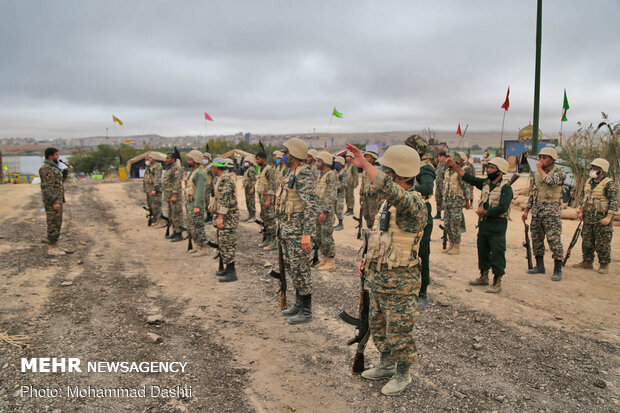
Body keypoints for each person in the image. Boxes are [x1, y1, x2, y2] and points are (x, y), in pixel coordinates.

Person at [346, 143, 427, 396]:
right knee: (379, 325)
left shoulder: (413, 202)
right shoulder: (388, 204)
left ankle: (403, 373)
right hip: (380, 277)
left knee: (399, 329)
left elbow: (392, 191)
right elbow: (382, 236)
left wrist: (366, 164)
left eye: (386, 170)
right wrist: (367, 262)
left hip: (401, 281)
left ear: (396, 174)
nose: (383, 174)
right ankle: (386, 363)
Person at [448, 156, 513, 292]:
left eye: (491, 168)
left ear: (500, 171)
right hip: (484, 224)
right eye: (488, 167)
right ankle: (484, 276)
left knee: (497, 252)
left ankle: (497, 282)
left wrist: (486, 212)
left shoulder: (506, 187)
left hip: (497, 224)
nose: (488, 170)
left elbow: (503, 207)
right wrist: (455, 166)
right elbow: (469, 178)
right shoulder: (486, 183)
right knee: (482, 249)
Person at [277, 138, 318, 325]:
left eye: (286, 153)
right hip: (287, 230)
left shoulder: (305, 174)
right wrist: (280, 229)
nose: (283, 156)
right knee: (293, 268)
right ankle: (298, 305)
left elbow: (310, 206)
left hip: (298, 232)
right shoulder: (289, 172)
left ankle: (307, 311)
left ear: (293, 155)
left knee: (301, 269)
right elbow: (284, 202)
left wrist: (306, 234)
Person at [522, 147, 566, 281]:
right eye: (541, 157)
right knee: (536, 239)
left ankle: (558, 270)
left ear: (552, 160)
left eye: (545, 158)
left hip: (551, 214)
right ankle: (539, 265)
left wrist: (540, 170)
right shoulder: (537, 174)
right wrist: (527, 209)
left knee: (554, 241)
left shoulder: (559, 172)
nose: (542, 160)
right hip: (537, 212)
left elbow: (551, 182)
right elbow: (533, 192)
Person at [404, 135, 436, 308]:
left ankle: (423, 291)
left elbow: (427, 188)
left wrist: (406, 188)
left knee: (422, 253)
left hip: (421, 212)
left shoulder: (425, 169)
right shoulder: (410, 166)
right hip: (408, 211)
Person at [574, 158, 618, 274]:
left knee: (602, 242)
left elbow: (614, 202)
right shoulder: (589, 182)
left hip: (602, 218)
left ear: (602, 171)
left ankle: (604, 264)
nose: (592, 171)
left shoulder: (609, 184)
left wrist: (608, 218)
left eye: (595, 169)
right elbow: (585, 198)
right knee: (587, 241)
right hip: (588, 217)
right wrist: (582, 211)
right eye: (591, 168)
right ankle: (587, 262)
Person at [209, 158, 239, 282]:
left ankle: (232, 273)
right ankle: (228, 268)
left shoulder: (225, 180)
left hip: (228, 218)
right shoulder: (224, 178)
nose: (212, 170)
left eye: (213, 168)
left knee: (227, 243)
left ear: (216, 168)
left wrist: (220, 218)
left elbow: (225, 201)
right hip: (228, 217)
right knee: (225, 243)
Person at [39, 147, 69, 256]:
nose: (58, 157)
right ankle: (52, 247)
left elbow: (59, 182)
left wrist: (65, 172)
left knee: (57, 222)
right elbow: (49, 187)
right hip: (52, 200)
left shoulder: (54, 168)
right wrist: (55, 201)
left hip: (57, 199)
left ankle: (55, 244)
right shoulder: (46, 169)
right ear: (50, 156)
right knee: (53, 222)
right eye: (56, 155)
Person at [314, 151, 338, 271]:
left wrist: (325, 212)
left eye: (318, 161)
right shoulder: (321, 175)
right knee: (320, 237)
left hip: (326, 213)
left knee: (327, 236)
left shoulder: (331, 175)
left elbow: (331, 196)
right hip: (319, 212)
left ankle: (331, 261)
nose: (316, 163)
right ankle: (324, 259)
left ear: (325, 162)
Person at [442, 151, 471, 254]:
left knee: (455, 223)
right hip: (447, 201)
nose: (448, 160)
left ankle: (456, 246)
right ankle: (450, 244)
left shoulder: (459, 173)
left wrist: (468, 201)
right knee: (447, 223)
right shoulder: (447, 171)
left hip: (456, 202)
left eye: (451, 158)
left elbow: (465, 187)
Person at [184, 150, 209, 256]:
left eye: (190, 159)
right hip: (190, 204)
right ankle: (198, 245)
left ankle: (203, 248)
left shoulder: (200, 173)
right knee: (192, 227)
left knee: (198, 226)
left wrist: (197, 206)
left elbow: (200, 191)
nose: (188, 161)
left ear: (195, 160)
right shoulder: (194, 172)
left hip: (196, 205)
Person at [255, 151, 277, 249]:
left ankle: (273, 241)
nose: (256, 161)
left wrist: (268, 199)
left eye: (258, 159)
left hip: (268, 199)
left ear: (263, 159)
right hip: (262, 198)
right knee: (265, 219)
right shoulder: (262, 169)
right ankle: (267, 239)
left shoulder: (269, 169)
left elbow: (272, 185)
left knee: (270, 219)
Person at [163, 152, 185, 242]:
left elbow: (177, 182)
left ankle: (179, 234)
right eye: (166, 158)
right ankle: (175, 231)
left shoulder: (176, 168)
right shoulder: (169, 168)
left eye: (168, 158)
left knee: (177, 214)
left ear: (173, 160)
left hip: (174, 196)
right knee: (171, 215)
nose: (166, 160)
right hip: (169, 196)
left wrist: (175, 194)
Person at [360, 150, 380, 230]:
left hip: (373, 195)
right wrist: (361, 194)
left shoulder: (376, 170)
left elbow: (379, 184)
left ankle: (374, 230)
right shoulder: (365, 169)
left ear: (373, 159)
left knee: (373, 215)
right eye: (365, 156)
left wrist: (378, 197)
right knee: (366, 214)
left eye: (368, 157)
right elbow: (363, 182)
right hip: (365, 195)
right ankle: (369, 229)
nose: (366, 158)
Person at [143, 153, 163, 226]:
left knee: (156, 204)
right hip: (149, 188)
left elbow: (157, 179)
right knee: (150, 203)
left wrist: (155, 189)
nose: (148, 160)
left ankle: (158, 217)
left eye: (150, 158)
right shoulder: (150, 166)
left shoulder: (157, 166)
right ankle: (153, 215)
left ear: (154, 158)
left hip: (154, 189)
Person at [333, 155, 349, 231]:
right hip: (335, 194)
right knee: (335, 210)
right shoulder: (336, 172)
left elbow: (344, 185)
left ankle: (341, 224)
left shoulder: (344, 173)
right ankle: (338, 223)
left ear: (341, 164)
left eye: (337, 163)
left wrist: (336, 188)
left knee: (339, 209)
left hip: (340, 194)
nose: (335, 164)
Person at [241, 156, 257, 222]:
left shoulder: (251, 169)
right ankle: (250, 216)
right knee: (248, 202)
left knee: (251, 202)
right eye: (245, 161)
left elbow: (253, 180)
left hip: (250, 188)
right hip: (247, 188)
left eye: (247, 161)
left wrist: (252, 188)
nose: (245, 163)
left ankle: (253, 216)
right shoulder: (247, 169)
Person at [344, 151, 359, 216]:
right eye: (347, 156)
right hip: (346, 183)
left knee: (350, 196)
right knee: (346, 196)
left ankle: (351, 209)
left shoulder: (353, 165)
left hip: (351, 183)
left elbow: (356, 174)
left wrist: (356, 183)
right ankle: (348, 208)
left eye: (349, 157)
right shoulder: (346, 165)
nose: (347, 158)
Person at [434, 151, 448, 219]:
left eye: (440, 156)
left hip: (444, 186)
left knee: (445, 200)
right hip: (438, 185)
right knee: (438, 199)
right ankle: (438, 214)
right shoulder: (439, 164)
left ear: (445, 157)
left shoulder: (446, 165)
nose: (439, 158)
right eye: (438, 156)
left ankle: (445, 216)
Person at [202, 152, 215, 224]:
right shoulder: (205, 167)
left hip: (209, 187)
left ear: (209, 159)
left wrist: (213, 187)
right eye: (203, 158)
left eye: (206, 158)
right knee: (206, 203)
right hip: (205, 187)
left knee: (209, 203)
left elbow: (214, 177)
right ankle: (208, 216)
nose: (204, 159)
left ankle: (211, 217)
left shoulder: (211, 167)